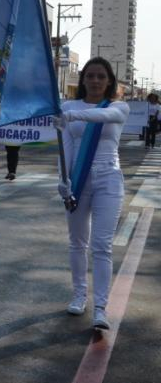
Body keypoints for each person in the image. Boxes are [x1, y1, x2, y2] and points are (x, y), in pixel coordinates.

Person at [54, 57, 130, 331]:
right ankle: (78, 296)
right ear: (83, 79)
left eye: (101, 76)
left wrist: (73, 116)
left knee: (102, 246)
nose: (95, 81)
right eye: (90, 76)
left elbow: (105, 117)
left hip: (109, 179)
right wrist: (63, 181)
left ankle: (100, 308)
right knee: (77, 243)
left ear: (109, 80)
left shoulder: (118, 107)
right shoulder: (68, 106)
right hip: (78, 180)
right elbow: (65, 149)